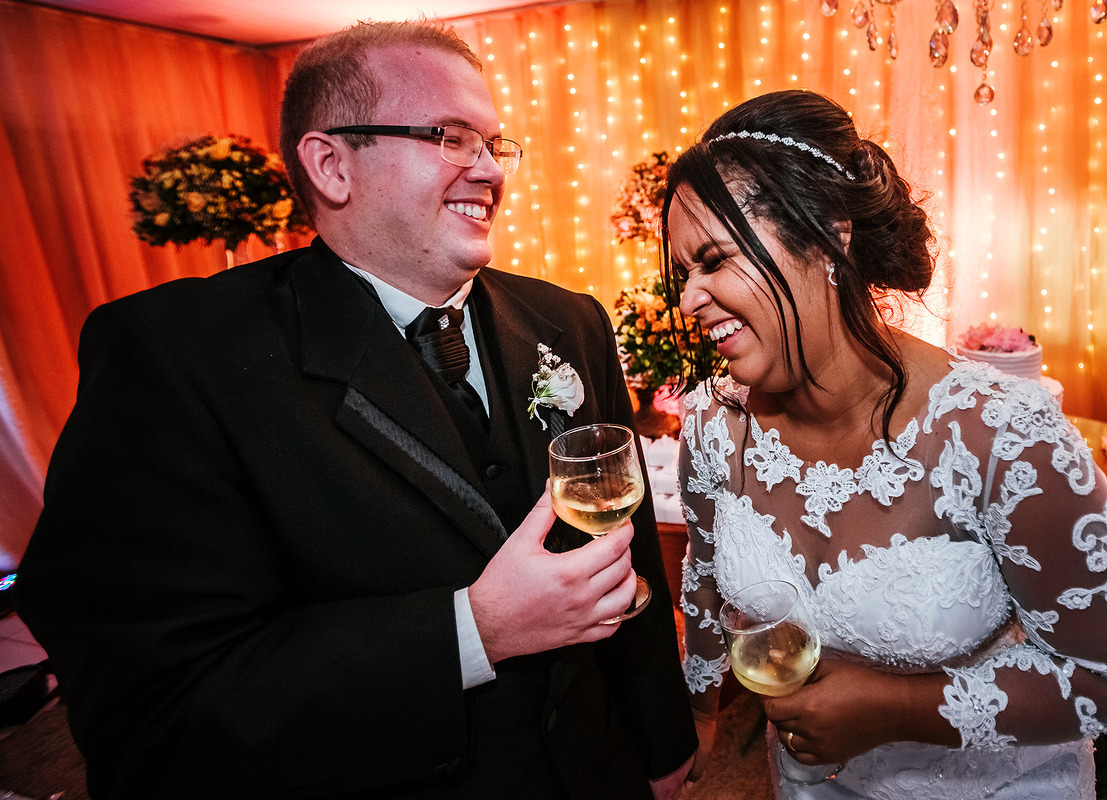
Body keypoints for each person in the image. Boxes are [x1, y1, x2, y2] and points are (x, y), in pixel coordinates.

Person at [15, 19, 696, 799]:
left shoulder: (567, 320)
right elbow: (155, 707)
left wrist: (662, 740)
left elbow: (630, 550)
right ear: (332, 164)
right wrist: (473, 631)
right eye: (449, 136)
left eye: (494, 144)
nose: (488, 170)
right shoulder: (174, 357)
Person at [664, 90, 1107, 799]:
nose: (689, 299)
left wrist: (893, 708)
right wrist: (695, 725)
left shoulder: (1001, 434)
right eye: (685, 273)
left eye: (713, 260)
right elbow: (709, 591)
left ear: (829, 234)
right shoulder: (714, 428)